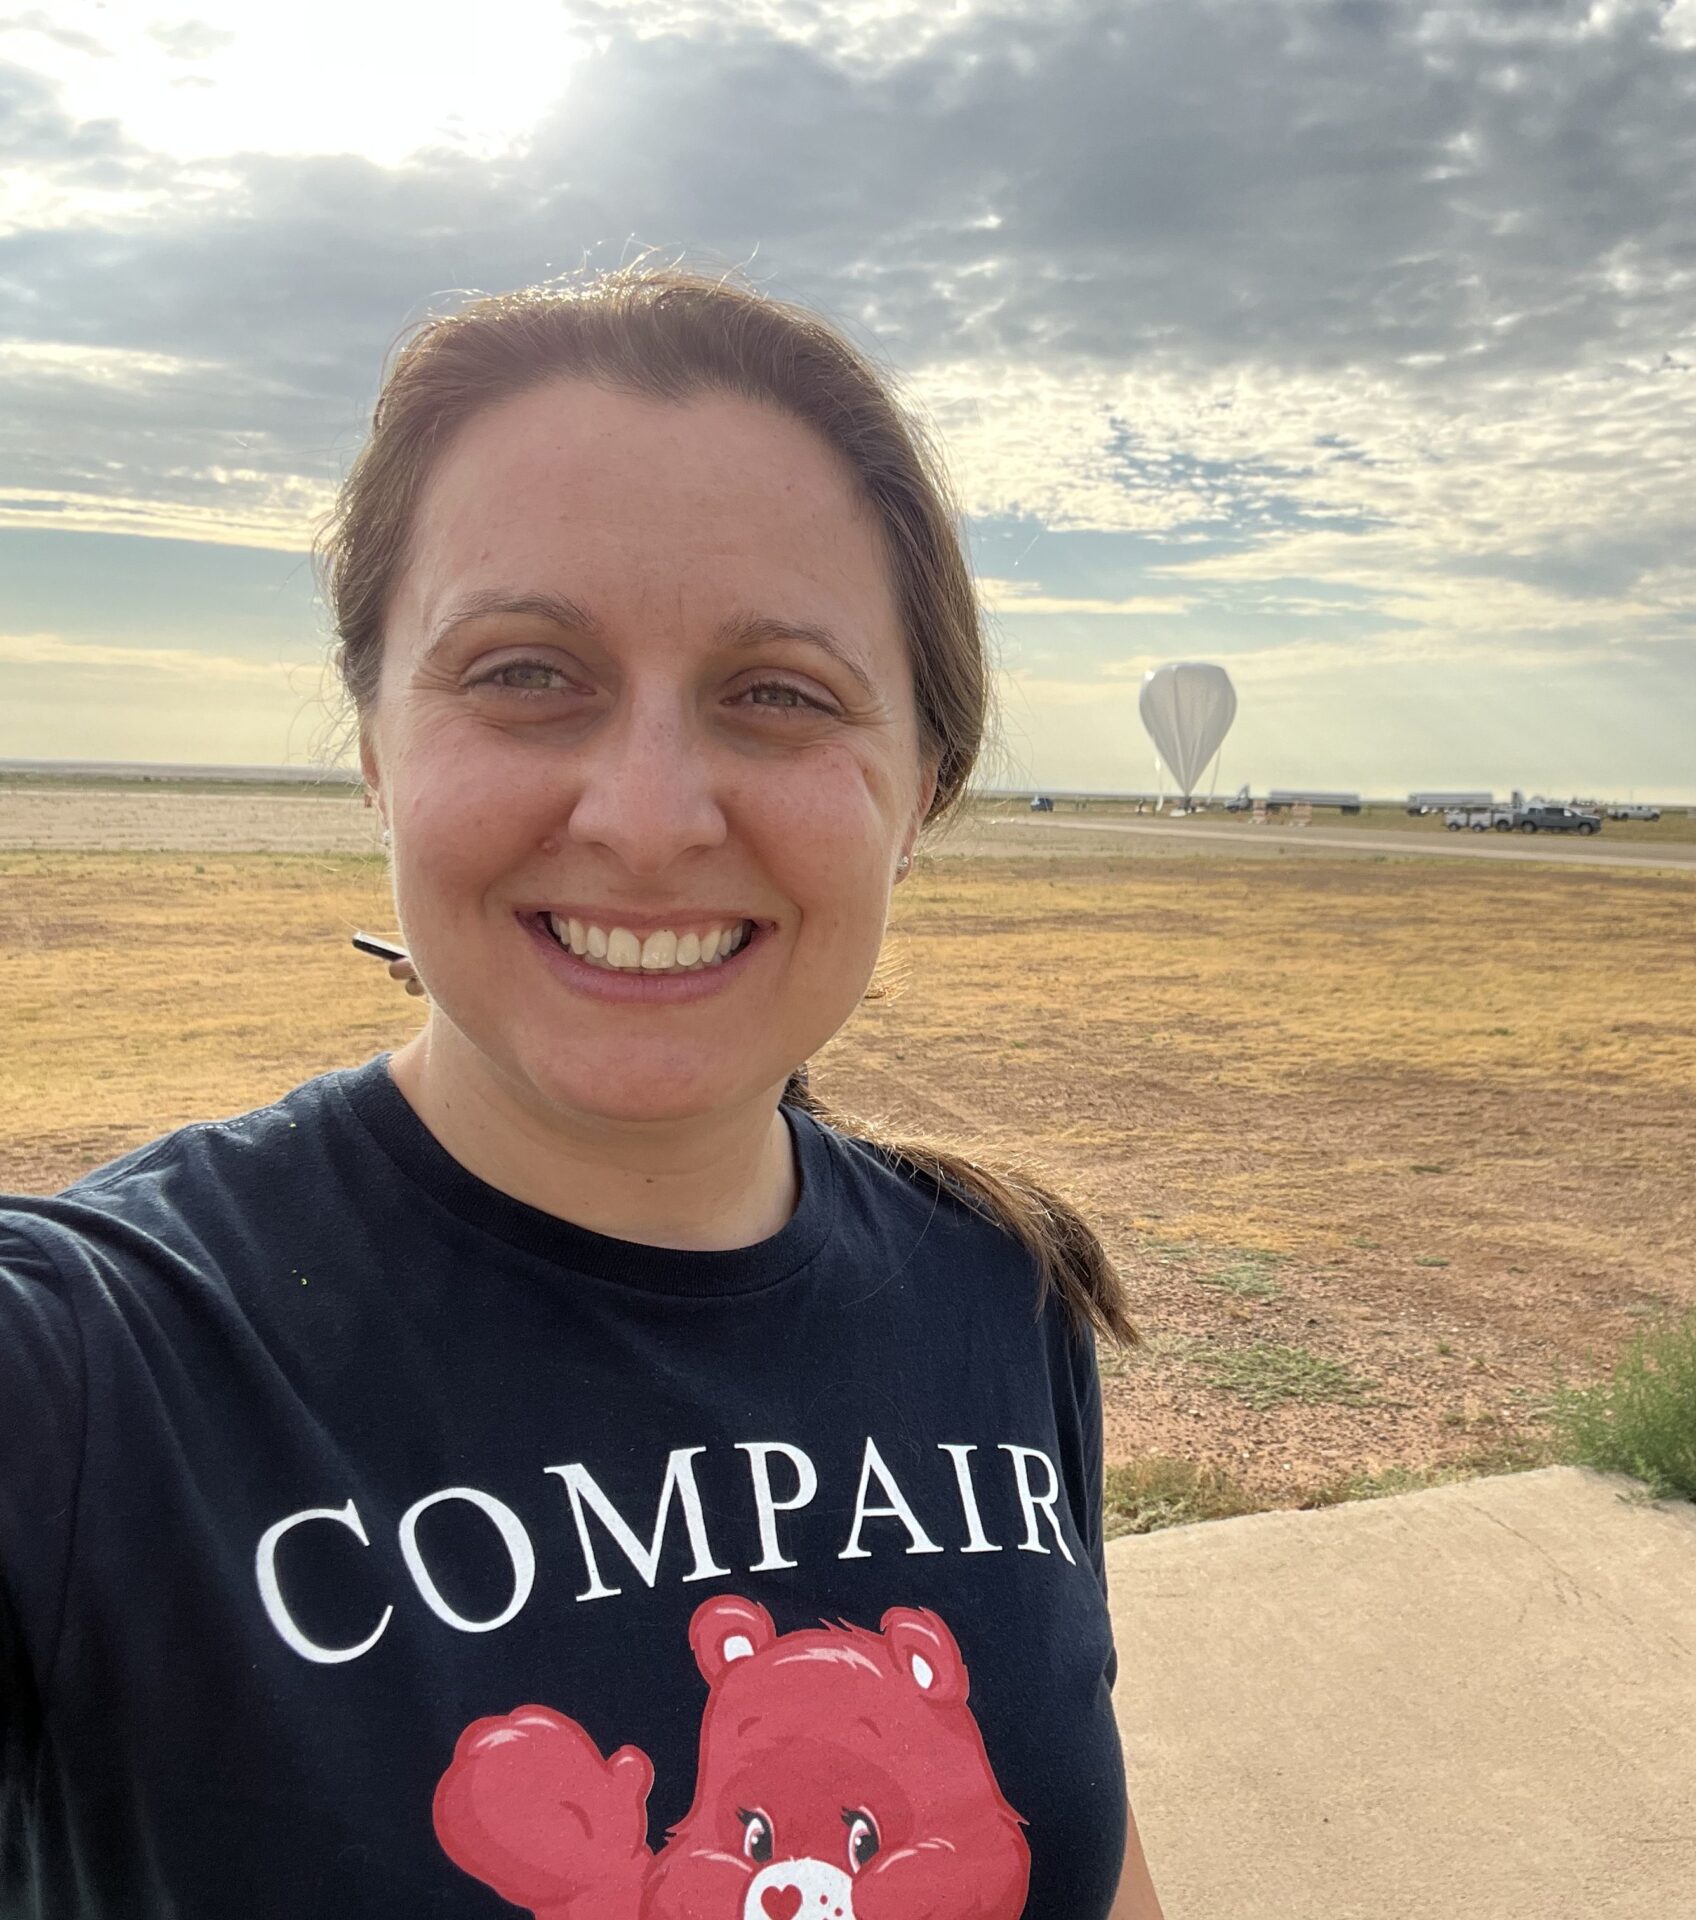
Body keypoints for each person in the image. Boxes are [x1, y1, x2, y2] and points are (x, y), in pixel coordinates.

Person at [0, 266, 1165, 1919]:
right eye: (527, 672)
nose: (645, 813)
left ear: (919, 790)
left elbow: (1084, 1846)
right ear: (379, 751)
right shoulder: (92, 1368)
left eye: (779, 692)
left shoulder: (1001, 1289)